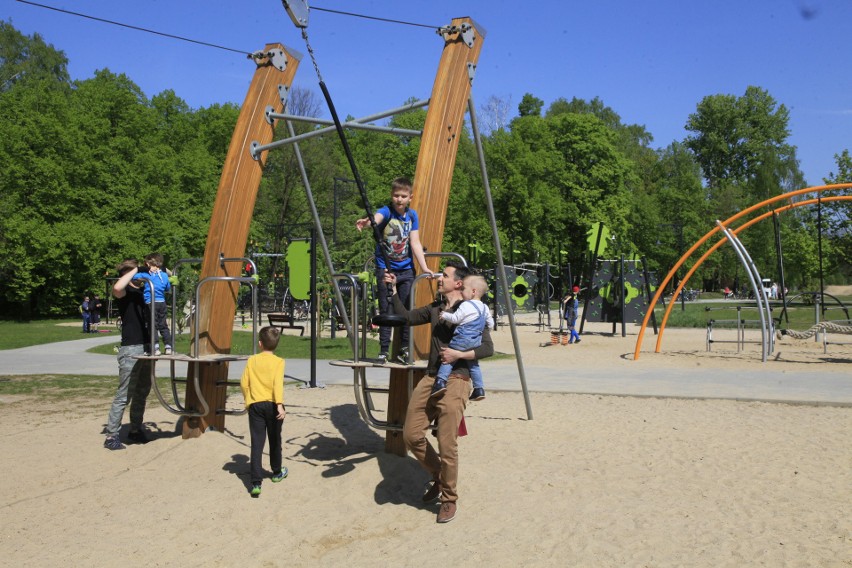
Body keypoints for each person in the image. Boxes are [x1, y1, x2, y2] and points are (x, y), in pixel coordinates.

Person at [387, 261, 494, 524]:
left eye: (443, 275)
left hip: (458, 379)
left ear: (458, 283)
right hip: (431, 377)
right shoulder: (436, 309)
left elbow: (487, 348)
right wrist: (392, 291)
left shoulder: (473, 308)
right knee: (411, 435)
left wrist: (459, 353)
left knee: (447, 444)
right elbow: (406, 318)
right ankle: (437, 474)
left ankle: (449, 499)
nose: (438, 278)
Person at [355, 177, 431, 365]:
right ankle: (383, 350)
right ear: (392, 196)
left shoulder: (412, 216)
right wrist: (367, 222)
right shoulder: (386, 211)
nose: (399, 199)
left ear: (410, 197)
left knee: (406, 309)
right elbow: (376, 219)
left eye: (403, 196)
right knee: (387, 306)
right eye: (396, 195)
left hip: (406, 270)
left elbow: (415, 242)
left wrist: (424, 267)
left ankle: (404, 348)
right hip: (386, 269)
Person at [103, 259, 153, 450]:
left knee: (142, 391)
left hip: (147, 346)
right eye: (135, 273)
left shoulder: (144, 292)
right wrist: (134, 271)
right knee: (124, 394)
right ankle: (111, 435)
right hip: (131, 348)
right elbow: (117, 287)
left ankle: (135, 429)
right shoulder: (125, 293)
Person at [240, 326, 288, 498]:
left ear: (260, 344)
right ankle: (276, 472)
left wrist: (248, 401)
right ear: (276, 345)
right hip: (273, 404)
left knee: (257, 442)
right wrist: (280, 405)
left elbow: (244, 383)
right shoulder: (279, 362)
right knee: (275, 439)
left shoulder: (252, 360)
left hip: (256, 405)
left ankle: (256, 482)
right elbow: (277, 384)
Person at [432, 274, 494, 402]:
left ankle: (440, 381)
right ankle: (479, 388)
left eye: (463, 289)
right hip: (475, 341)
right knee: (473, 364)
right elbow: (490, 323)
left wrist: (445, 315)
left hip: (462, 338)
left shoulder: (466, 305)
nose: (461, 292)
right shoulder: (485, 307)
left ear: (473, 291)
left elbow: (456, 319)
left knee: (449, 357)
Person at [132, 253, 173, 355]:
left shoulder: (148, 275)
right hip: (162, 302)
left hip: (150, 302)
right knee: (163, 324)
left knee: (152, 325)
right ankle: (168, 346)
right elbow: (168, 288)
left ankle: (156, 347)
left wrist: (142, 273)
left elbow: (134, 277)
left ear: (148, 263)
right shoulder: (164, 275)